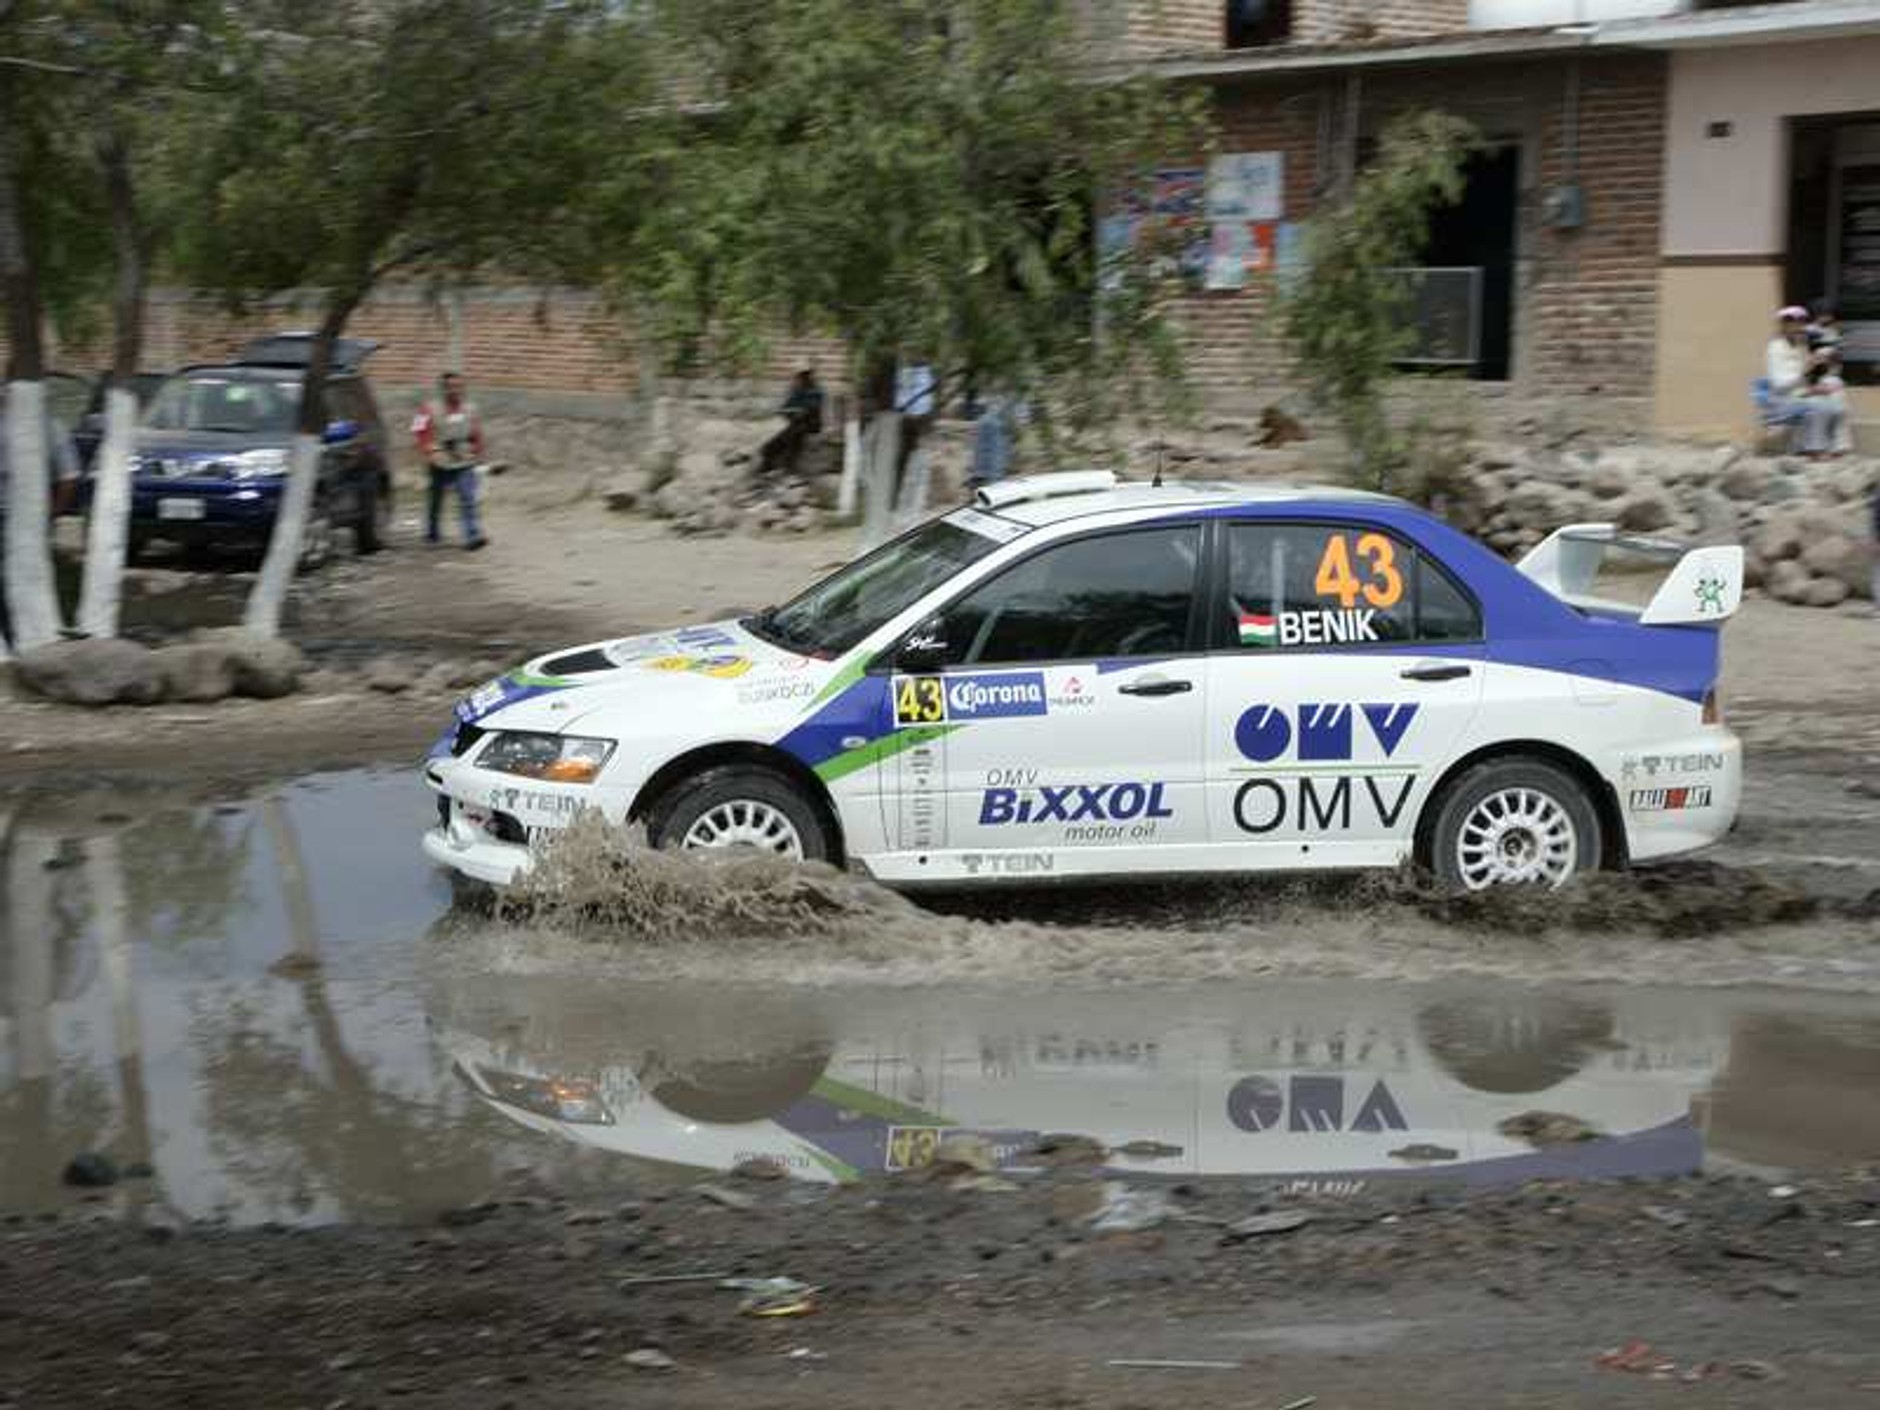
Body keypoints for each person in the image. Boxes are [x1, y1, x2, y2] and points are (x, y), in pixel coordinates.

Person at [412, 371, 487, 550]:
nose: (455, 391)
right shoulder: (428, 408)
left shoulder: (470, 409)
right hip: (440, 461)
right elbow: (418, 430)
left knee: (467, 497)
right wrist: (429, 450)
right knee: (436, 500)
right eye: (451, 387)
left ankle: (472, 536)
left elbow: (476, 434)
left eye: (459, 387)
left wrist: (477, 453)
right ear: (443, 389)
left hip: (463, 460)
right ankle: (432, 534)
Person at [1764, 306, 1850, 459]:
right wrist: (1805, 374)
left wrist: (1815, 385)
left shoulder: (1799, 346)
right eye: (1794, 323)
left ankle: (1839, 446)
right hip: (1783, 400)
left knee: (1835, 387)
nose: (1798, 327)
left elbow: (1805, 379)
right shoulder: (1775, 348)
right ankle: (1815, 449)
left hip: (1800, 394)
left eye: (1801, 323)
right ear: (1784, 325)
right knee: (1820, 404)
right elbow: (1779, 385)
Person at [758, 368, 824, 475]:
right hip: (796, 424)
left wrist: (797, 411)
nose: (798, 380)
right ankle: (768, 461)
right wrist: (787, 412)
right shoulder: (797, 391)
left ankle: (788, 465)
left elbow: (810, 409)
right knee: (779, 439)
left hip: (811, 425)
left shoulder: (816, 392)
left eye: (801, 377)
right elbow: (786, 407)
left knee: (793, 435)